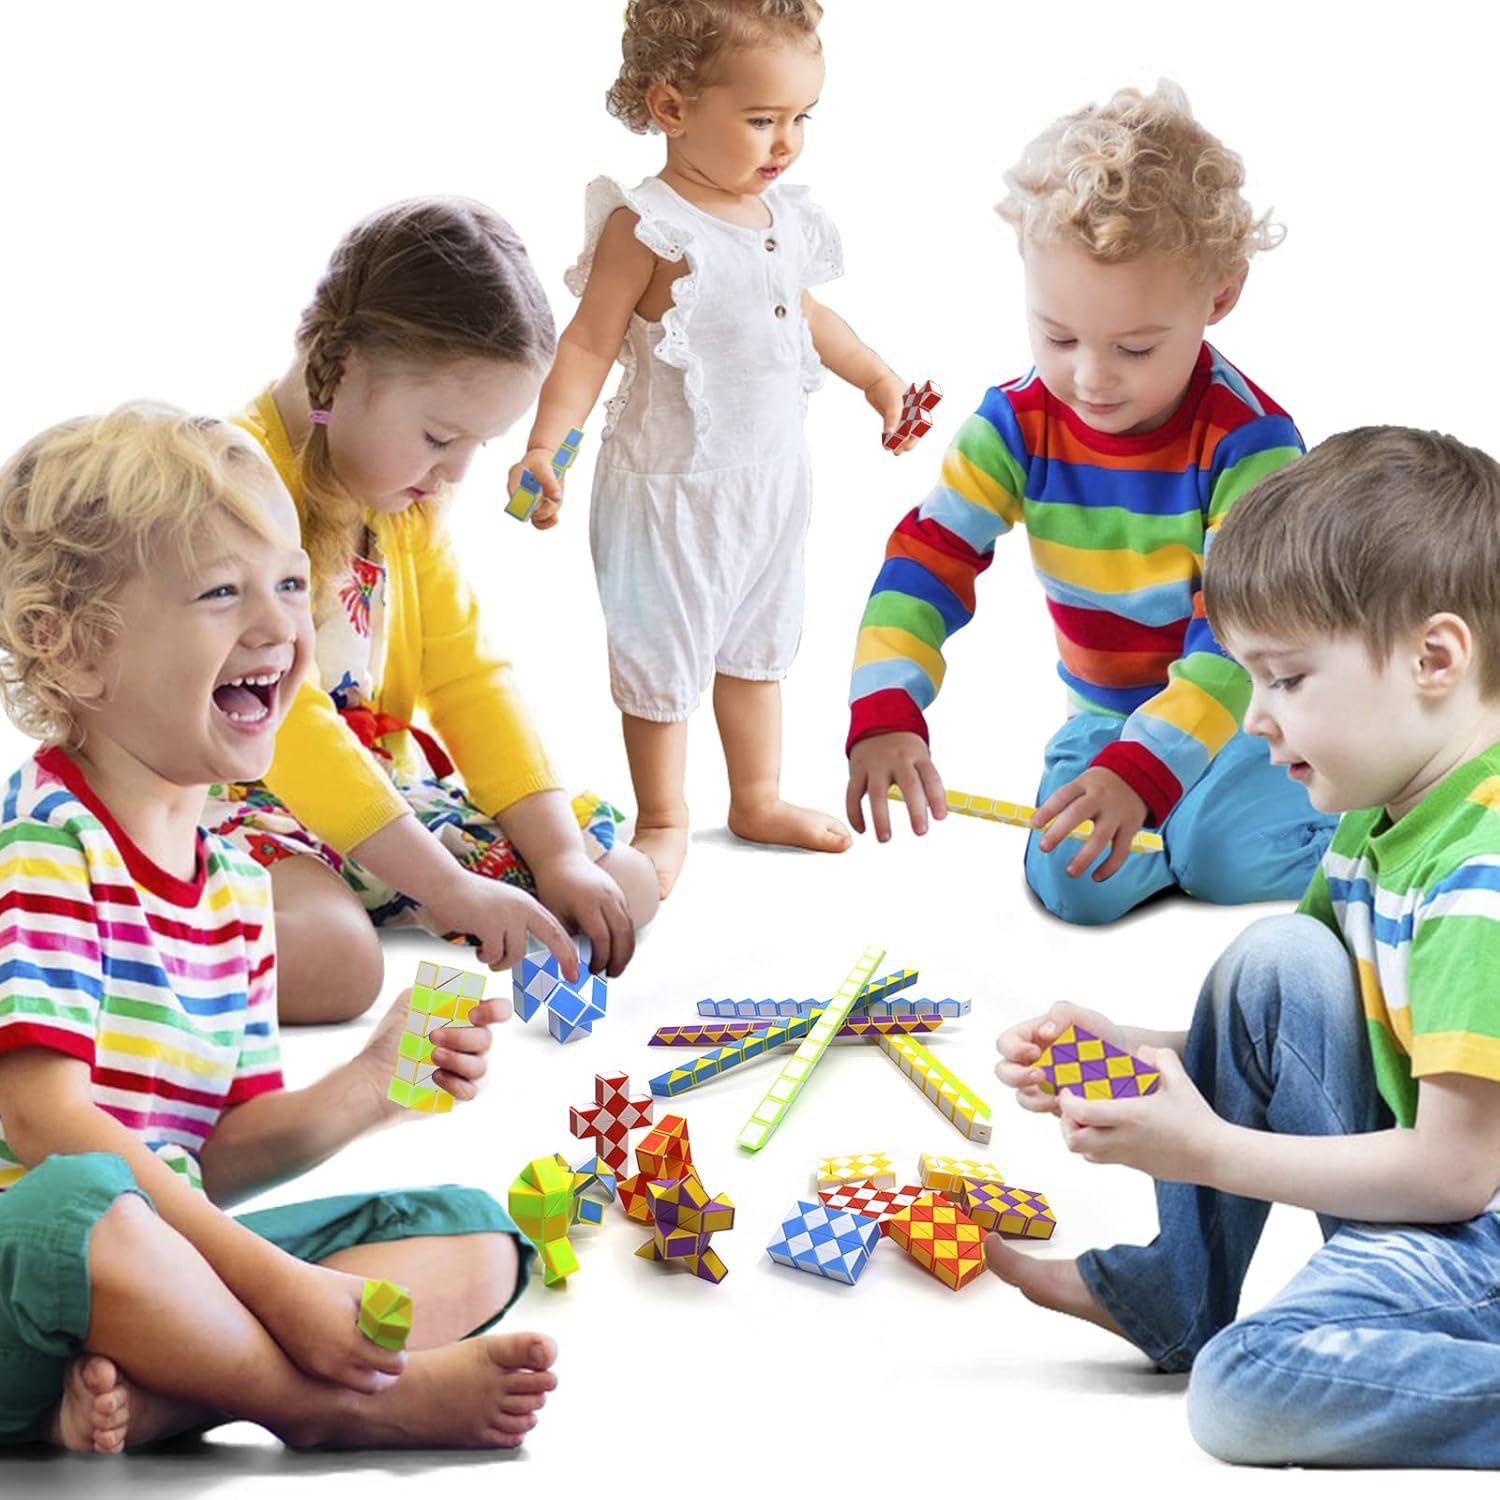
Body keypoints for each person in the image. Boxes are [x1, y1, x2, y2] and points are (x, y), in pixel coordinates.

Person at [0, 406, 556, 1452]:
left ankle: (170, 1396)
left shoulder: (232, 879)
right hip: (33, 1260)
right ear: (74, 652)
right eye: (222, 593)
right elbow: (41, 1123)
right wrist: (277, 1285)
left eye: (292, 585)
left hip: (159, 1267)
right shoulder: (46, 839)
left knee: (475, 1236)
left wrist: (373, 1084)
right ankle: (324, 1406)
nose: (278, 628)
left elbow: (212, 1156)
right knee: (87, 1202)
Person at [991, 427, 1500, 1466]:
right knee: (1279, 962)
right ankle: (1175, 1295)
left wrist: (1204, 1149)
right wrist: (1137, 1050)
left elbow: (1456, 1173)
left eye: (1288, 679)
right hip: (1439, 1196)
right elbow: (1296, 1035)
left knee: (1245, 1391)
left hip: (1474, 1230)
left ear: (1434, 660)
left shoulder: (1478, 876)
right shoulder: (1379, 819)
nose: (1256, 721)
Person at [845, 82, 1336, 924]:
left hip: (1248, 721)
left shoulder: (1251, 445)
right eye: (1058, 336)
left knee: (1221, 861)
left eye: (1136, 347)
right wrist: (885, 707)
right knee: (1073, 883)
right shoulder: (1012, 427)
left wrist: (1145, 776)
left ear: (1220, 296)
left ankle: (1347, 817)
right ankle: (1180, 829)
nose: (1091, 377)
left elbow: (1237, 633)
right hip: (1105, 721)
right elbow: (926, 562)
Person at [512, 0, 931, 898]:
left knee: (756, 645)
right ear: (672, 108)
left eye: (801, 118)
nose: (787, 143)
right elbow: (588, 344)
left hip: (770, 484)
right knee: (661, 659)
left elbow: (808, 315)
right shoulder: (648, 225)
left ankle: (756, 797)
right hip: (668, 495)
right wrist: (549, 446)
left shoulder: (780, 215)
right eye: (762, 119)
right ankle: (664, 819)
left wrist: (877, 379)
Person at [209, 197, 659, 1023]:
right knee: (338, 963)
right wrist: (446, 885)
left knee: (619, 880)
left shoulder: (404, 500)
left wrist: (556, 855)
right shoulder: (233, 487)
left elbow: (467, 676)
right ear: (344, 368)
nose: (455, 474)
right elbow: (289, 724)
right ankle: (131, 939)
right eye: (441, 439)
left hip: (382, 797)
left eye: (478, 447)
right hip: (246, 798)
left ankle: (406, 889)